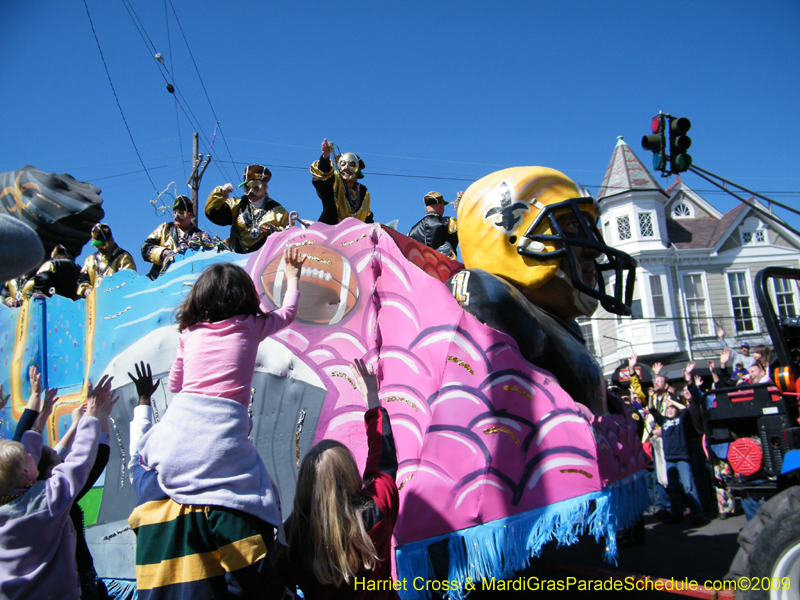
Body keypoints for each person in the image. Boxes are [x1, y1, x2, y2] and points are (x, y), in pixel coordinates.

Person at [446, 167, 637, 416]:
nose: (595, 250)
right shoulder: (490, 296)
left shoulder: (563, 325)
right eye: (573, 226)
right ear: (512, 236)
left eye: (590, 230)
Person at [127, 362, 286, 599]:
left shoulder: (149, 488)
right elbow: (252, 580)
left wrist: (143, 403)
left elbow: (136, 460)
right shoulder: (222, 497)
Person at [279, 358, 399, 599]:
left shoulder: (291, 538)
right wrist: (371, 397)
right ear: (350, 474)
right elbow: (383, 459)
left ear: (304, 486)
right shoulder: (378, 508)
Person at [0, 377, 114, 600]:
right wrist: (91, 413)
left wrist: (41, 416)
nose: (31, 453)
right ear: (26, 474)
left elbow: (25, 452)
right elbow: (80, 460)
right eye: (27, 456)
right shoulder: (46, 503)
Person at [647, 368, 706, 525]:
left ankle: (698, 514)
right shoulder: (664, 421)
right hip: (669, 458)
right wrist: (651, 397)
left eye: (673, 409)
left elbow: (684, 409)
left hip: (682, 457)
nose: (670, 411)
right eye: (668, 410)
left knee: (688, 486)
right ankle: (677, 514)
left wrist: (672, 402)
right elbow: (652, 410)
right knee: (673, 488)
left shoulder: (680, 419)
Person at [205, 165, 289, 253]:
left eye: (255, 188)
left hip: (267, 256)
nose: (250, 192)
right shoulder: (236, 205)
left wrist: (276, 231)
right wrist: (221, 193)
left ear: (264, 188)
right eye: (247, 188)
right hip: (238, 255)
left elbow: (292, 235)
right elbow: (212, 213)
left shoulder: (278, 211)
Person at [141, 195, 222, 279]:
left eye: (181, 213)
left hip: (187, 279)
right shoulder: (165, 229)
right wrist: (163, 253)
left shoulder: (200, 236)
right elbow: (146, 247)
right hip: (159, 278)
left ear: (190, 215)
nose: (176, 216)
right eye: (174, 213)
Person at [311, 138, 373, 225]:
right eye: (343, 164)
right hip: (331, 231)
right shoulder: (334, 183)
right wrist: (325, 158)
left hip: (357, 233)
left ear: (357, 169)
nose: (346, 168)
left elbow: (368, 219)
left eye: (351, 165)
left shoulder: (363, 191)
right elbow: (323, 181)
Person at [77, 224, 136, 298]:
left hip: (115, 301)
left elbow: (129, 281)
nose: (100, 248)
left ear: (111, 240)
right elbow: (82, 279)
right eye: (96, 245)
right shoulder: (90, 260)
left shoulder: (123, 257)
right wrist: (86, 290)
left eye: (103, 245)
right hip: (95, 302)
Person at [407, 191, 459, 258]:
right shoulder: (449, 222)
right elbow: (466, 232)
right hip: (445, 263)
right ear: (441, 204)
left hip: (420, 264)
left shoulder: (412, 231)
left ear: (426, 208)